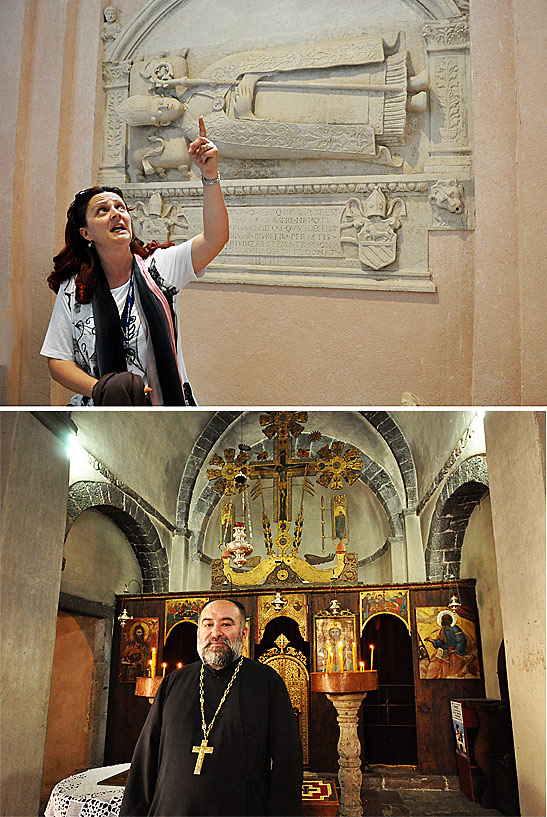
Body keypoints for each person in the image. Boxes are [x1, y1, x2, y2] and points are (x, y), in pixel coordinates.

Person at [40, 116, 228, 406]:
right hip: (101, 408)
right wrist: (103, 390)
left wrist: (210, 175)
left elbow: (215, 239)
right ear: (86, 232)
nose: (116, 213)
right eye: (102, 211)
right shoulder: (73, 289)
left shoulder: (159, 268)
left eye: (120, 208)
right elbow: (57, 361)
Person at [119, 598, 303, 817]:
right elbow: (146, 755)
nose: (216, 633)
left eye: (226, 624)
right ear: (199, 633)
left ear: (243, 633)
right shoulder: (174, 682)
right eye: (208, 624)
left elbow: (287, 761)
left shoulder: (267, 682)